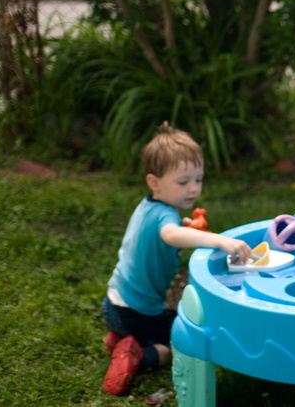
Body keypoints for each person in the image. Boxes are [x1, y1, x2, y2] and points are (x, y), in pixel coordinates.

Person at [100, 122, 252, 396]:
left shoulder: (149, 207)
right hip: (136, 313)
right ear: (154, 182)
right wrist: (220, 240)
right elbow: (170, 234)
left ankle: (120, 338)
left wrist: (186, 229)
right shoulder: (165, 219)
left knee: (172, 321)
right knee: (188, 338)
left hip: (113, 304)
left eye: (198, 179)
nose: (193, 188)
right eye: (183, 182)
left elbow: (167, 231)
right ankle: (140, 356)